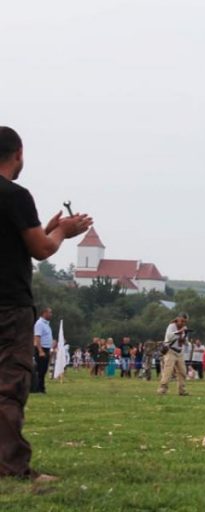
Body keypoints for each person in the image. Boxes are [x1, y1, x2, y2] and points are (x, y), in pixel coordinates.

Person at [0, 126, 92, 481]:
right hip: (9, 305)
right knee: (9, 384)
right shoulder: (15, 195)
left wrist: (45, 226)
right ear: (18, 153)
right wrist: (63, 232)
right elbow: (42, 249)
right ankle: (11, 466)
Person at [157, 313, 191, 396]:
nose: (183, 323)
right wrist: (180, 331)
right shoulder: (172, 326)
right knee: (168, 371)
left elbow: (186, 342)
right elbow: (169, 337)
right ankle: (162, 389)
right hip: (170, 351)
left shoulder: (184, 329)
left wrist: (185, 338)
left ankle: (182, 390)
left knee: (183, 371)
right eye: (182, 321)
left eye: (185, 322)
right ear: (178, 319)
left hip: (179, 352)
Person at [32, 307, 54, 394]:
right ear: (44, 313)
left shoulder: (46, 324)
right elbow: (37, 337)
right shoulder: (39, 323)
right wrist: (40, 351)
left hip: (46, 348)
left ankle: (40, 387)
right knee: (40, 370)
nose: (51, 314)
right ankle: (39, 389)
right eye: (50, 312)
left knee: (44, 370)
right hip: (41, 349)